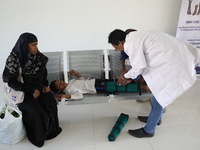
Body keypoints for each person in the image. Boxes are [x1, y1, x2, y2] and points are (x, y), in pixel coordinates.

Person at [108, 29, 200, 138]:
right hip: (175, 60)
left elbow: (139, 67)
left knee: (159, 96)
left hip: (173, 66)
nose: (116, 49)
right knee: (158, 93)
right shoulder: (136, 36)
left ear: (120, 42)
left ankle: (149, 130)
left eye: (116, 47)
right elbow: (142, 64)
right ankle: (156, 119)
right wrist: (131, 77)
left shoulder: (131, 44)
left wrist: (124, 77)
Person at [2, 33, 62, 147]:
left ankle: (51, 130)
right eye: (33, 45)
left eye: (37, 44)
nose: (36, 48)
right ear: (25, 45)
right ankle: (38, 136)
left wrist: (45, 85)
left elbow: (44, 73)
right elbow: (11, 81)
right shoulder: (13, 60)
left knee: (51, 102)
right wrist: (30, 89)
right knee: (35, 110)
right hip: (22, 90)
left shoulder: (38, 58)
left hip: (38, 88)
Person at [50, 70, 116, 100]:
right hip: (94, 87)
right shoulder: (68, 90)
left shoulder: (70, 82)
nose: (61, 82)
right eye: (59, 85)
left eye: (59, 81)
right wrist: (65, 96)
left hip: (93, 81)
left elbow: (83, 81)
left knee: (112, 81)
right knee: (111, 87)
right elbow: (80, 96)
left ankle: (123, 81)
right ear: (59, 91)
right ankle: (123, 87)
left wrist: (76, 74)